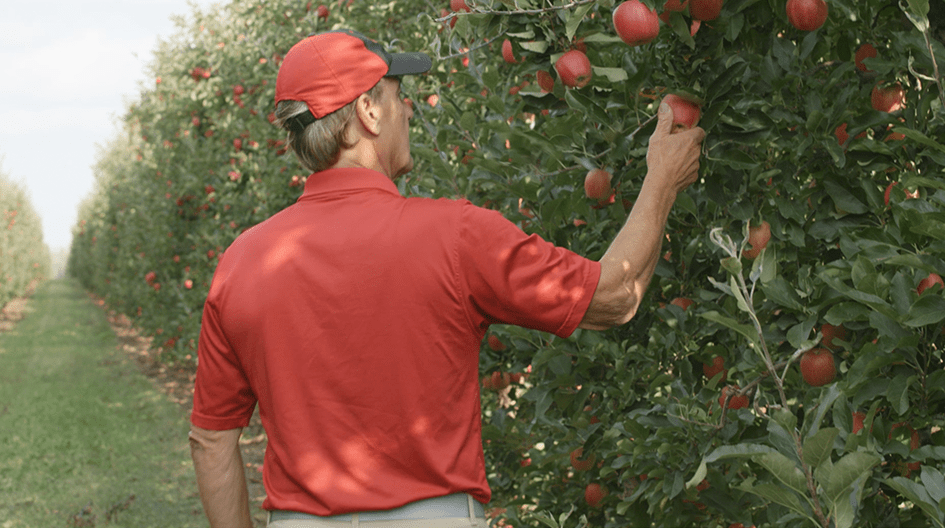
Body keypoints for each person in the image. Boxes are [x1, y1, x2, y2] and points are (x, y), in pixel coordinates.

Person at [189, 28, 704, 528]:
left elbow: (212, 440)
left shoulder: (243, 261)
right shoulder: (455, 236)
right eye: (398, 96)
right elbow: (615, 295)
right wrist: (661, 178)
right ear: (368, 111)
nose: (409, 109)